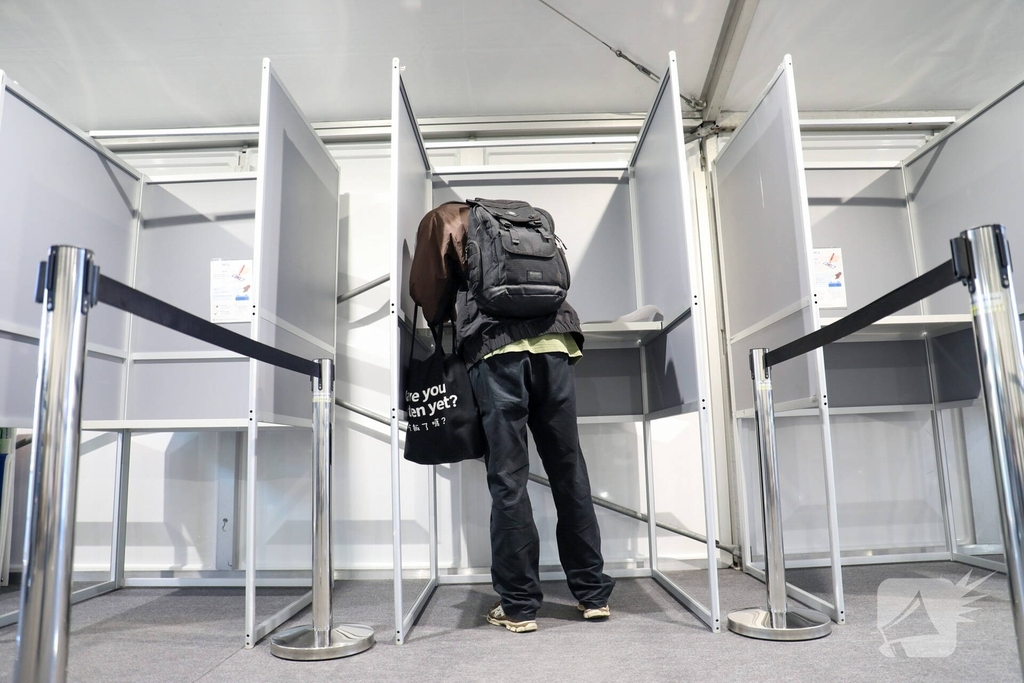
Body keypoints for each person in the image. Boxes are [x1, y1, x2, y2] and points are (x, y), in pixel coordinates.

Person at [410, 201, 615, 633]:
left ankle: (520, 606)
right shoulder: (532, 216)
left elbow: (428, 289)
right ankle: (592, 594)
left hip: (497, 349)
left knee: (508, 478)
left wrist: (446, 317)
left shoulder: (445, 218)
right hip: (556, 345)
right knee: (569, 471)